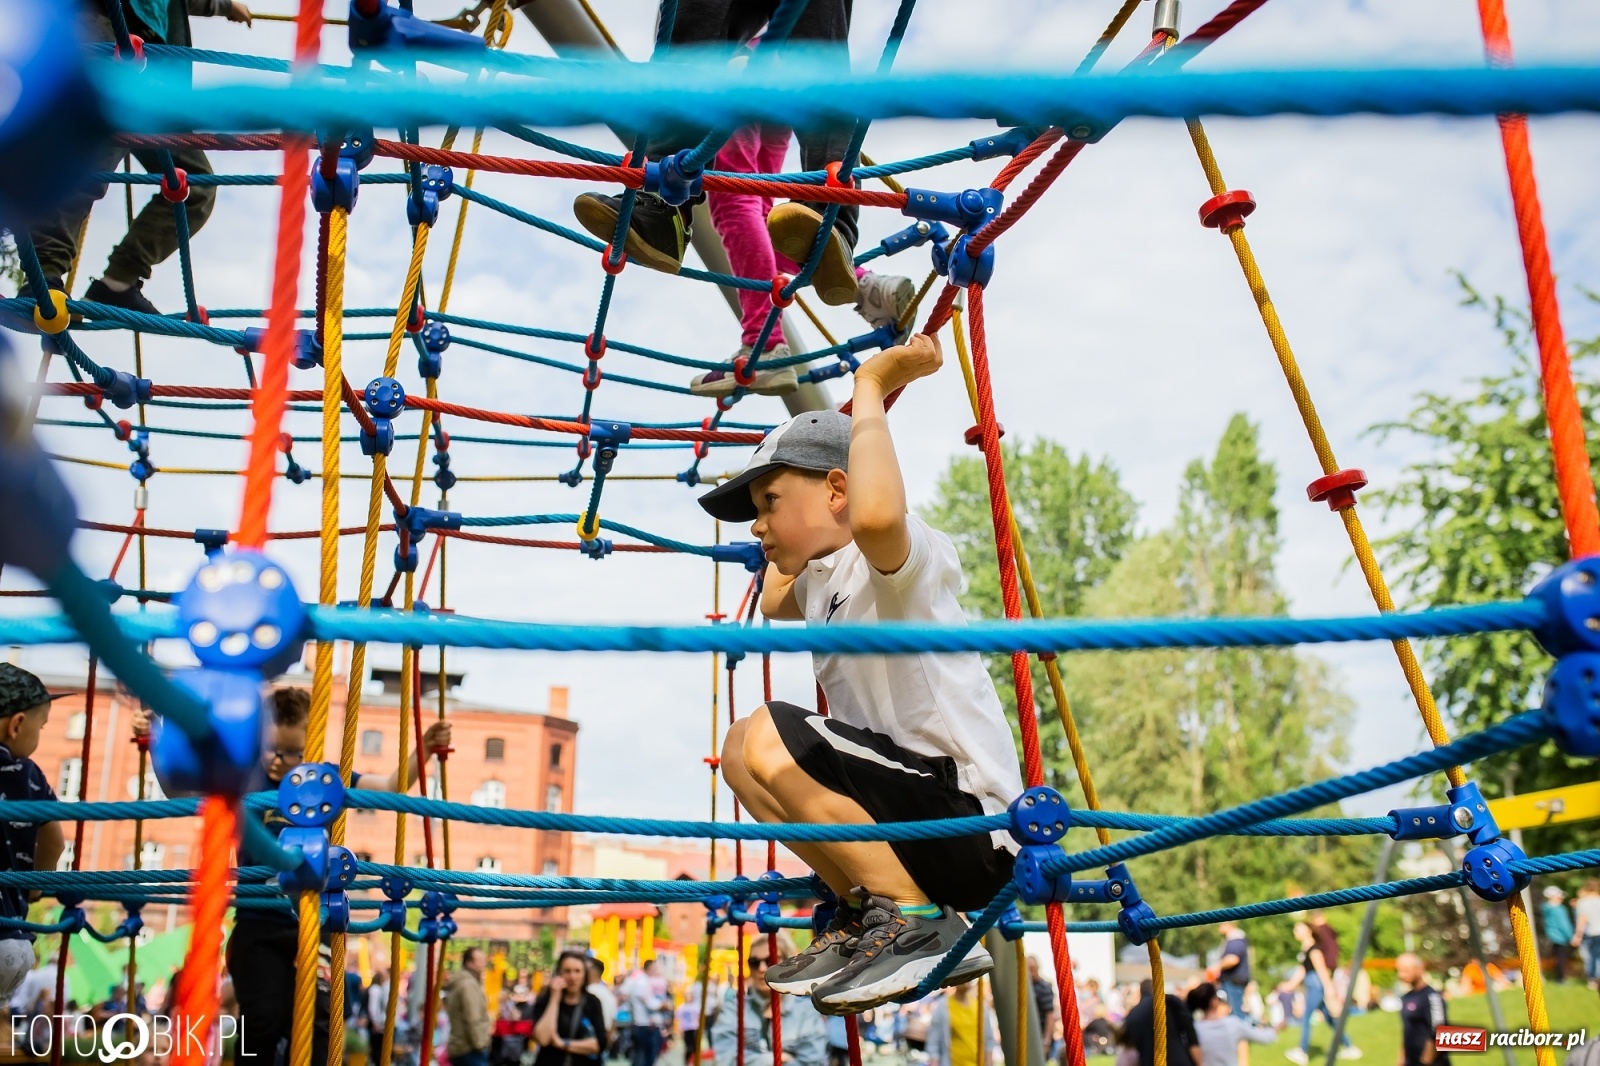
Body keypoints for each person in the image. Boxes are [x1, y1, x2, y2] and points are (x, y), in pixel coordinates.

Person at [703, 335, 1021, 1012]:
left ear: (838, 490)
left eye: (768, 502)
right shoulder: (821, 580)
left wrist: (871, 386)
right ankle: (867, 909)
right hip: (906, 829)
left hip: (971, 824)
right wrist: (786, 527)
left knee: (770, 731)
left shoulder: (897, 560)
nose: (756, 526)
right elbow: (775, 600)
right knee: (737, 751)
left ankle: (915, 919)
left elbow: (874, 515)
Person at [135, 687, 450, 1066]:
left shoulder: (325, 779)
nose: (279, 761)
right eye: (271, 749)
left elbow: (390, 786)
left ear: (311, 745)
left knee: (320, 1024)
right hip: (258, 922)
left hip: (316, 920)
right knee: (262, 1021)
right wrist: (155, 739)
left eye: (293, 753)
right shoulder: (246, 777)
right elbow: (178, 791)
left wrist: (424, 748)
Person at [571, 1, 859, 306]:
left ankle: (831, 219)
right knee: (695, 29)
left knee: (817, 49)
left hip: (751, 92)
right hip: (752, 93)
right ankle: (662, 206)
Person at [26, 0, 252, 316]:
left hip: (153, 61)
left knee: (194, 182)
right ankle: (43, 277)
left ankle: (117, 282)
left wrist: (224, 5)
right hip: (107, 31)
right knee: (90, 160)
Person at [0, 665, 67, 1002]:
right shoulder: (28, 774)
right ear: (16, 726)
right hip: (13, 940)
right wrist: (35, 884)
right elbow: (55, 839)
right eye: (41, 728)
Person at [709, 936, 826, 1066]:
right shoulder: (734, 1010)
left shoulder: (806, 1011)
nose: (762, 968)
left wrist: (755, 1059)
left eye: (770, 961)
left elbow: (813, 1061)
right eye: (754, 962)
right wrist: (779, 1058)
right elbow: (727, 1059)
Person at [1278, 921, 1358, 1065]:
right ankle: (1350, 1047)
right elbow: (1303, 970)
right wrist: (1290, 985)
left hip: (1316, 985)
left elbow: (1321, 969)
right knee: (1329, 1019)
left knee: (1306, 1017)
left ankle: (1302, 1051)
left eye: (1298, 929)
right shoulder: (1305, 948)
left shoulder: (1314, 949)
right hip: (1312, 983)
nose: (1295, 932)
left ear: (1308, 930)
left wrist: (1329, 988)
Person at [529, 951, 608, 1066]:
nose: (572, 977)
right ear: (559, 974)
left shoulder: (592, 1002)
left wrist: (562, 1043)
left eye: (577, 971)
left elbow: (599, 1044)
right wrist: (554, 999)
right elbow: (542, 1039)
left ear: (585, 974)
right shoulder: (546, 999)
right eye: (567, 971)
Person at [1186, 982, 1275, 1066]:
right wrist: (1272, 1027)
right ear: (1214, 1001)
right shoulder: (1232, 1024)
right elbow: (1266, 1037)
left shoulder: (1194, 1029)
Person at [1120, 980, 1200, 1066]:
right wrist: (1198, 1061)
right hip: (1178, 1060)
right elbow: (1191, 1035)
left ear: (1140, 992)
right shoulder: (1170, 1001)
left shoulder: (1133, 1014)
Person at [924, 982, 996, 1066]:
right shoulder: (943, 1006)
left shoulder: (981, 1006)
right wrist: (934, 1061)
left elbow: (989, 1040)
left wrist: (989, 1063)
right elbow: (933, 1042)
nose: (966, 982)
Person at [1394, 955, 1447, 1066]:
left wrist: (1426, 1061)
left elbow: (1438, 1032)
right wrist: (1401, 1060)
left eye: (1405, 970)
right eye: (1398, 971)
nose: (1401, 975)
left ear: (1419, 969)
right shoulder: (1406, 998)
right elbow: (1407, 1032)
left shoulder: (1432, 997)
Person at [445, 948, 493, 1066]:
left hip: (461, 1046)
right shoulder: (469, 985)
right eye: (480, 960)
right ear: (469, 963)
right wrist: (481, 1043)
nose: (483, 963)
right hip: (468, 1049)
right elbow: (473, 1018)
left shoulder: (463, 982)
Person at [620, 960, 669, 1066]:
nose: (658, 971)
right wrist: (663, 1006)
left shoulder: (639, 980)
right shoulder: (642, 982)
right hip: (645, 1025)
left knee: (641, 1055)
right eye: (656, 968)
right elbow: (649, 1002)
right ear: (650, 968)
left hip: (642, 1024)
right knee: (645, 1057)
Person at [1211, 923, 1252, 1019]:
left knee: (1235, 1013)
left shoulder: (1235, 940)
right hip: (1232, 980)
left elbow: (1233, 959)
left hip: (1233, 981)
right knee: (1231, 1012)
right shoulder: (1235, 940)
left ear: (1228, 924)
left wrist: (1216, 967)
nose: (1218, 926)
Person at [1539, 886, 1575, 983]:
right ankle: (1561, 979)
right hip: (1561, 937)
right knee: (1562, 958)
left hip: (1552, 936)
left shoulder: (1546, 908)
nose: (1561, 898)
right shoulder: (1559, 909)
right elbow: (1564, 925)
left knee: (1557, 958)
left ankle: (1559, 977)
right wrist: (1571, 936)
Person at [1573, 879, 1600, 988]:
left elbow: (1582, 919)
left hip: (1592, 933)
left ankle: (1593, 979)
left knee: (1591, 957)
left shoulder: (1584, 902)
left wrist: (1578, 935)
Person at [1027, 957, 1056, 1056]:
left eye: (1033, 969)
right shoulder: (1027, 986)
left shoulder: (1043, 987)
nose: (1032, 973)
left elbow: (1050, 1015)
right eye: (1029, 969)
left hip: (1041, 1032)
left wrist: (1046, 1040)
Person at [585, 958, 617, 1042]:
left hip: (590, 1039)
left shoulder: (589, 992)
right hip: (603, 1039)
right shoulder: (608, 993)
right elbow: (613, 1021)